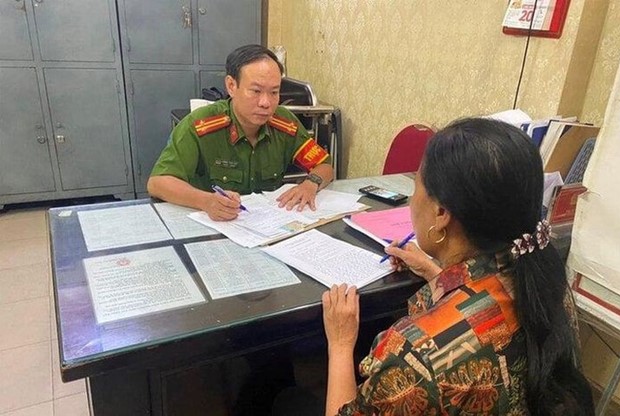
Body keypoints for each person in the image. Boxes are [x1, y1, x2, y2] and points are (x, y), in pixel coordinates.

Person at [322, 118, 594, 415]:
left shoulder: (416, 354)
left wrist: (341, 342)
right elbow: (490, 314)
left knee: (290, 398)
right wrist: (436, 273)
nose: (413, 199)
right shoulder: (546, 282)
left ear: (440, 213)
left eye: (416, 186)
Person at [147, 44, 334, 221]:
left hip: (267, 225)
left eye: (274, 92)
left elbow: (324, 166)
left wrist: (310, 184)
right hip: (214, 224)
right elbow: (158, 182)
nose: (266, 103)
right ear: (231, 86)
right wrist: (205, 201)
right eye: (255, 91)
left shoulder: (285, 124)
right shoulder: (200, 125)